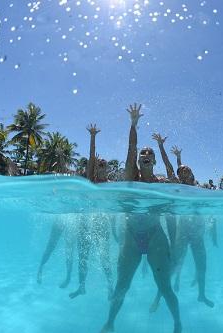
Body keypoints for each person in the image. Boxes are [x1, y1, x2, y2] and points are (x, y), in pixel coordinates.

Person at [100, 104, 182, 333]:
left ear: (154, 161)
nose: (145, 156)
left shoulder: (162, 185)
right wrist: (133, 125)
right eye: (142, 154)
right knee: (121, 286)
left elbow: (172, 217)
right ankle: (110, 323)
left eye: (149, 154)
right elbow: (131, 148)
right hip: (131, 236)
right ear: (138, 160)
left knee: (164, 287)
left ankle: (177, 323)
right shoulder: (129, 176)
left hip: (156, 236)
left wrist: (174, 245)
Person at [150, 164, 216, 312]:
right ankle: (158, 297)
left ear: (192, 171)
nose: (184, 170)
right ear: (179, 176)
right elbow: (170, 169)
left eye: (186, 168)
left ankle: (202, 295)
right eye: (181, 170)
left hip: (198, 233)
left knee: (202, 265)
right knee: (173, 266)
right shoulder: (178, 189)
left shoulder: (201, 187)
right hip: (184, 231)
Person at [69, 124, 114, 299]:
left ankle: (111, 287)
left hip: (101, 224)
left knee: (104, 258)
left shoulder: (111, 185)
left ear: (108, 168)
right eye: (99, 163)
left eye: (104, 164)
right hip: (85, 222)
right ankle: (81, 286)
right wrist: (93, 137)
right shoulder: (90, 181)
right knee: (83, 257)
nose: (101, 165)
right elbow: (90, 158)